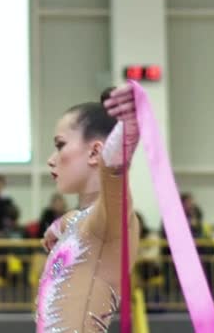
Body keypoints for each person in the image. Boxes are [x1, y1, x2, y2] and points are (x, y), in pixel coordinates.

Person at [37, 84, 141, 332]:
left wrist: (128, 129)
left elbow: (114, 172)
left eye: (60, 145)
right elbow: (72, 220)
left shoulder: (110, 220)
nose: (51, 159)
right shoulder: (82, 221)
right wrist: (54, 229)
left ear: (95, 152)